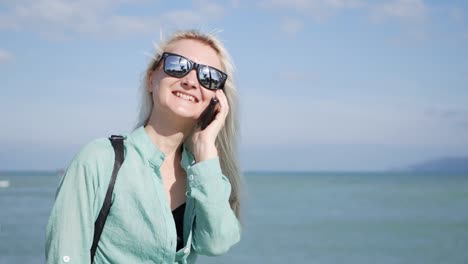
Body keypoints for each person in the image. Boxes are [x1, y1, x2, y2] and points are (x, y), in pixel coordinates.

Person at [46, 29, 242, 264]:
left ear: (217, 100)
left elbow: (217, 242)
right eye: (178, 65)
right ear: (151, 79)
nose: (191, 81)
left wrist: (205, 147)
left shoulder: (203, 175)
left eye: (209, 76)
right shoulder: (100, 159)